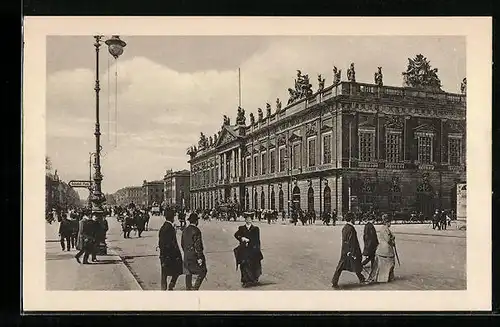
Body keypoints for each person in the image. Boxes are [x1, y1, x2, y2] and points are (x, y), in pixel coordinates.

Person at [331, 212, 365, 289]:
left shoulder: (345, 227)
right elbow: (352, 241)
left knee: (341, 266)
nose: (355, 220)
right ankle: (361, 278)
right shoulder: (351, 228)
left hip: (345, 250)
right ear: (351, 219)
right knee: (355, 264)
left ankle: (334, 281)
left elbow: (345, 240)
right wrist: (352, 252)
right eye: (354, 218)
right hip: (351, 251)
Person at [233, 215, 264, 288]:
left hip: (252, 249)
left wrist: (257, 248)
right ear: (245, 220)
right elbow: (236, 235)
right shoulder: (241, 228)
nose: (248, 220)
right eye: (247, 219)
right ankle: (245, 280)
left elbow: (257, 239)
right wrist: (241, 238)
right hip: (244, 249)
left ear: (251, 220)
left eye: (250, 219)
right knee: (244, 264)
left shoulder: (256, 229)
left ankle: (253, 279)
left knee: (254, 264)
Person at [366, 214, 396, 284]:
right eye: (390, 222)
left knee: (382, 264)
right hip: (386, 249)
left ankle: (384, 277)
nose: (390, 224)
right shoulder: (385, 229)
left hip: (382, 249)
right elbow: (388, 239)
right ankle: (385, 278)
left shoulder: (384, 228)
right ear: (386, 222)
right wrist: (392, 239)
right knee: (390, 263)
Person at [158, 208, 183, 290]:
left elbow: (161, 243)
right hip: (170, 255)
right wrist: (176, 253)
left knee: (164, 274)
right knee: (178, 270)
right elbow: (172, 243)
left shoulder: (163, 227)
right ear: (172, 217)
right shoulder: (170, 228)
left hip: (164, 255)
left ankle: (164, 289)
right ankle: (171, 286)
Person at [181, 213, 207, 290]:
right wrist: (199, 257)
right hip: (194, 256)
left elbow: (182, 244)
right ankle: (195, 288)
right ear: (196, 221)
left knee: (188, 273)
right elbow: (198, 246)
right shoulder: (196, 231)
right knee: (203, 271)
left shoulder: (185, 230)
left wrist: (186, 252)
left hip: (186, 256)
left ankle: (188, 288)